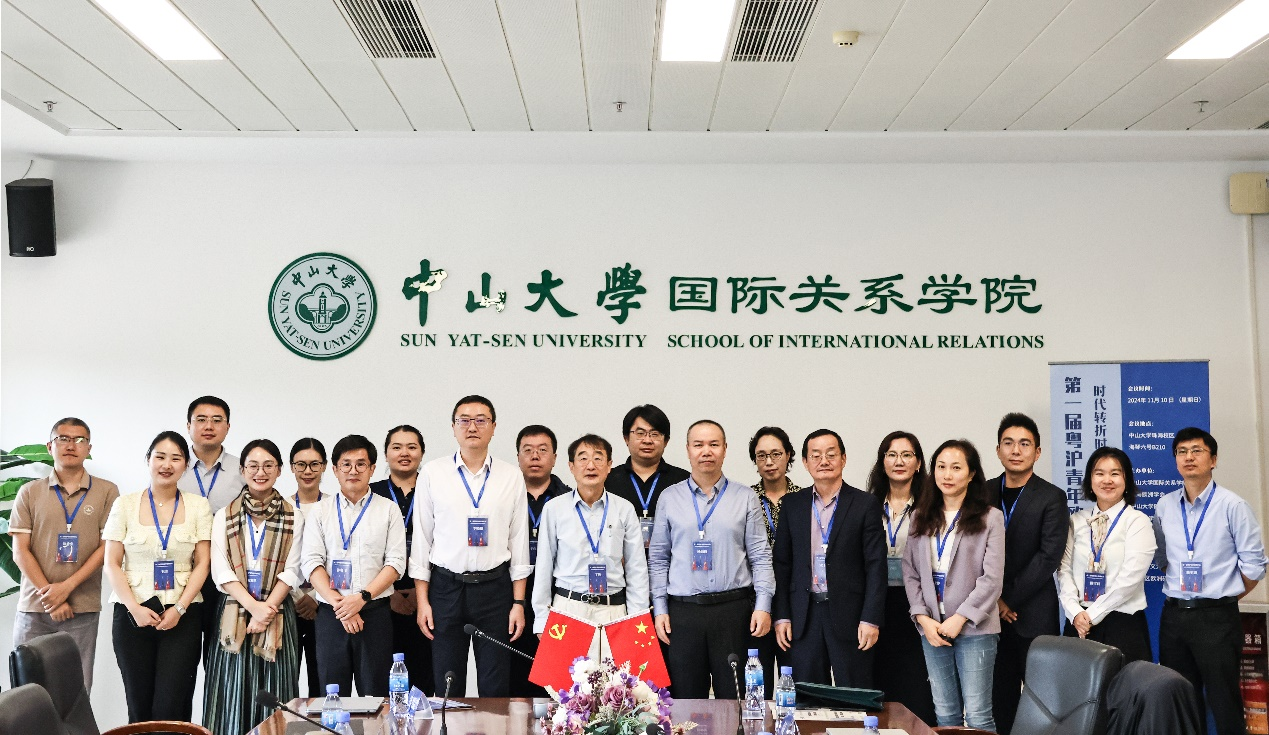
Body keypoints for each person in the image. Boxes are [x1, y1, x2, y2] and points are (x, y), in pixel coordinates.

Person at [411, 395, 531, 697]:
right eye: (464, 420)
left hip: (495, 591)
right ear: (453, 427)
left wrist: (518, 603)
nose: (472, 427)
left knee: (495, 685)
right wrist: (423, 601)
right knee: (447, 683)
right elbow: (422, 540)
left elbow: (519, 543)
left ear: (493, 427)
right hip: (445, 589)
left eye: (481, 420)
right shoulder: (432, 474)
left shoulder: (511, 476)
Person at [648, 420, 774, 699]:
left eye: (714, 444)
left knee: (736, 701)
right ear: (688, 450)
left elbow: (761, 555)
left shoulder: (745, 497)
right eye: (699, 445)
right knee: (685, 702)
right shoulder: (669, 497)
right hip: (683, 614)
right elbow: (658, 558)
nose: (706, 451)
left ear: (725, 449)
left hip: (733, 612)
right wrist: (660, 608)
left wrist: (763, 605)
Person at [1153, 427, 1267, 735]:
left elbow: (1254, 566)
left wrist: (1222, 596)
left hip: (1217, 618)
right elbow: (1163, 557)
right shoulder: (1165, 505)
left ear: (1213, 460)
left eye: (1197, 451)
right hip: (1174, 617)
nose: (1189, 457)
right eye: (1181, 452)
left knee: (1224, 700)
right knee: (1180, 699)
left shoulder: (1233, 506)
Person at [103, 431, 213, 724]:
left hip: (183, 615)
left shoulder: (198, 506)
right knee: (138, 705)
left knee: (172, 705)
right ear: (148, 460)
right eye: (160, 457)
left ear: (186, 465)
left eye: (176, 458)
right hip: (132, 614)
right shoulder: (124, 504)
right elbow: (112, 563)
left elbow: (202, 563)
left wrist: (179, 609)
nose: (167, 464)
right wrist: (134, 608)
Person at [9, 417, 120, 691]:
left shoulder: (107, 491)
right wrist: (52, 597)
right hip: (35, 608)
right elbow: (20, 551)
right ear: (50, 446)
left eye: (80, 440)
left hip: (81, 609)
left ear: (89, 448)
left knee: (76, 692)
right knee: (27, 692)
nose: (71, 445)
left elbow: (107, 547)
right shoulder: (29, 492)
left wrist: (66, 588)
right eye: (63, 439)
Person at [902, 439, 1005, 731]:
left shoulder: (990, 518)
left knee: (978, 716)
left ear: (971, 474)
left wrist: (960, 618)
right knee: (945, 715)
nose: (947, 475)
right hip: (932, 627)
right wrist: (923, 618)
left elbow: (992, 579)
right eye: (941, 467)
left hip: (975, 628)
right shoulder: (920, 516)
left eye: (956, 468)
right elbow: (910, 571)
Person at [204, 439, 304, 735]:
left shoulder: (294, 515)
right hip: (234, 610)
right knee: (231, 690)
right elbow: (220, 570)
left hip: (277, 612)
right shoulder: (224, 515)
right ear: (242, 470)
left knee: (276, 690)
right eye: (253, 466)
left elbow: (293, 569)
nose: (261, 472)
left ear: (279, 470)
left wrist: (266, 610)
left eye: (268, 466)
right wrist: (254, 608)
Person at [772, 429, 887, 687]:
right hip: (804, 616)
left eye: (831, 454)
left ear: (843, 459)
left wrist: (870, 618)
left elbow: (876, 566)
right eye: (816, 455)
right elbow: (782, 564)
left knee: (854, 693)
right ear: (805, 462)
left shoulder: (865, 504)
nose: (823, 461)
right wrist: (782, 616)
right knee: (807, 696)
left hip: (851, 616)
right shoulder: (792, 504)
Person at [301, 434, 407, 697]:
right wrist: (342, 606)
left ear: (372, 468)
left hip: (374, 612)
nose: (353, 470)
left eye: (361, 464)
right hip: (331, 615)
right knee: (331, 694)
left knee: (376, 695)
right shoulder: (320, 511)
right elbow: (312, 562)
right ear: (334, 469)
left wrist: (361, 599)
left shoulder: (388, 510)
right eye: (346, 464)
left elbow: (395, 563)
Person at [533, 434, 649, 659]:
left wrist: (637, 620)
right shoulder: (554, 509)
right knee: (567, 680)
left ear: (609, 466)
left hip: (613, 610)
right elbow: (544, 566)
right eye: (583, 458)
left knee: (614, 680)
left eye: (598, 458)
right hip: (568, 609)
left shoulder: (624, 509)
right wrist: (541, 619)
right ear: (571, 466)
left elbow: (637, 569)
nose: (590, 465)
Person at [987, 412, 1067, 734]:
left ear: (1037, 452)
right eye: (1008, 443)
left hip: (1033, 615)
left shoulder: (1052, 497)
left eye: (1024, 444)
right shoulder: (981, 492)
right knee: (998, 700)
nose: (1016, 450)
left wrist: (1006, 598)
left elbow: (1048, 558)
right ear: (998, 450)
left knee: (1042, 703)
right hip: (988, 617)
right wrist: (994, 601)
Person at [1057, 447, 1155, 664]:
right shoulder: (1076, 521)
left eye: (1115, 473)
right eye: (1099, 473)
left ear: (1126, 480)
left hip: (1121, 624)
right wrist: (1074, 612)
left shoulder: (1137, 521)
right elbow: (1064, 570)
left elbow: (1130, 580)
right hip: (1078, 624)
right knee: (1077, 686)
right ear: (1090, 480)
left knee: (1121, 685)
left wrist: (1092, 615)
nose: (1107, 480)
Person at [866, 431, 936, 724]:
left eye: (907, 455)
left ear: (918, 464)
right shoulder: (867, 505)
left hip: (917, 603)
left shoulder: (931, 507)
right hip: (877, 603)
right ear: (882, 462)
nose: (899, 461)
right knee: (880, 680)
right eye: (892, 455)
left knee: (916, 680)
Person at [178, 396, 247, 670]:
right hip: (183, 574)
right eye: (201, 420)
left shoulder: (243, 470)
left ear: (227, 427)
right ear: (188, 426)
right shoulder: (174, 467)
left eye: (217, 420)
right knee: (181, 659)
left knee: (222, 660)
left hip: (226, 575)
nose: (209, 426)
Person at [368, 425, 434, 695]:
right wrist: (389, 592)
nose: (404, 453)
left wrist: (423, 594)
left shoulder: (435, 490)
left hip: (429, 600)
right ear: (386, 454)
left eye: (411, 447)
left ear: (422, 453)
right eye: (397, 447)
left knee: (425, 680)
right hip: (380, 599)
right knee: (385, 683)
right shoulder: (371, 494)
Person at [513, 424, 571, 697]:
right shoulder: (505, 497)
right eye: (528, 450)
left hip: (556, 598)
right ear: (518, 457)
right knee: (515, 676)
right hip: (513, 596)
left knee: (556, 680)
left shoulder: (568, 499)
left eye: (542, 450)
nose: (535, 456)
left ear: (555, 457)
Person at [748, 426, 802, 697]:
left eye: (776, 454)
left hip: (795, 599)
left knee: (795, 679)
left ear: (788, 455)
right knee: (758, 680)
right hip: (755, 601)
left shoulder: (804, 498)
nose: (769, 462)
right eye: (761, 456)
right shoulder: (745, 498)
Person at [606, 405, 691, 551]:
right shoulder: (608, 480)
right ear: (626, 438)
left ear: (666, 441)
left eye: (655, 434)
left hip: (669, 562)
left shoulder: (683, 481)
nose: (647, 440)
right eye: (640, 433)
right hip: (621, 563)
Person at [289, 437, 327, 697]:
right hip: (287, 602)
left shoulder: (334, 506)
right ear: (292, 467)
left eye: (314, 464)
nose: (308, 471)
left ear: (324, 466)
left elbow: (339, 558)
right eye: (301, 464)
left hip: (324, 604)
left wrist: (314, 595)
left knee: (321, 678)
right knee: (286, 679)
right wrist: (295, 595)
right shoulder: (281, 507)